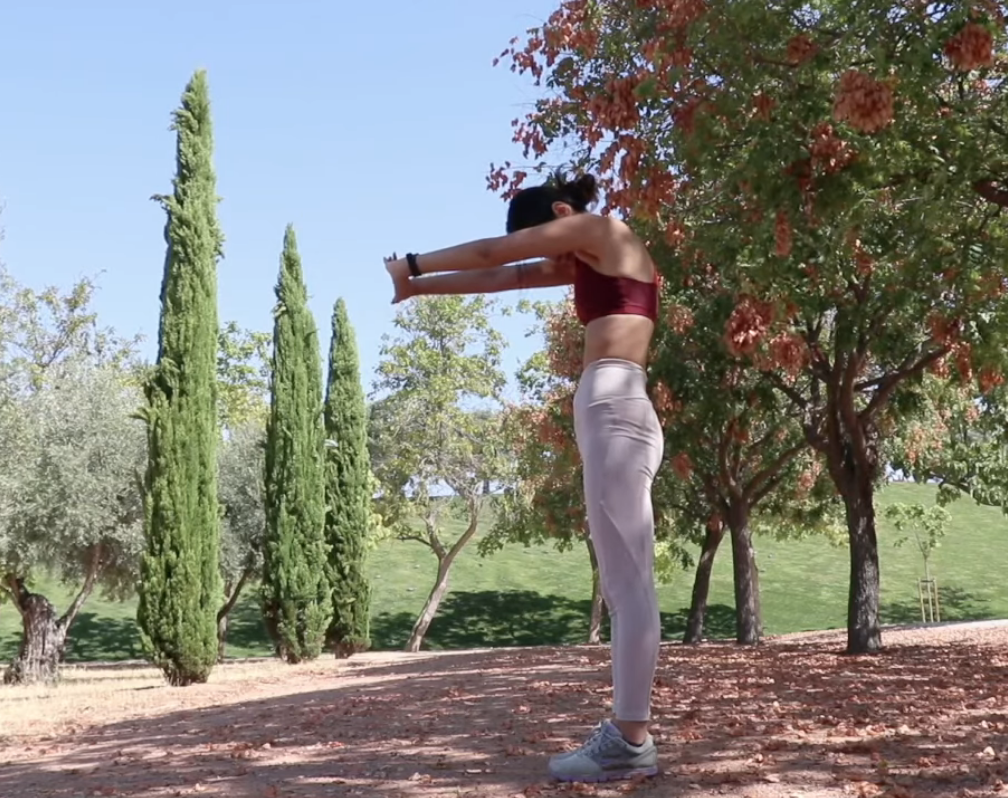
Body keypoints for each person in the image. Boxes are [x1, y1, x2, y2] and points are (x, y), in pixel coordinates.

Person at [383, 172, 665, 784]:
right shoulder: (593, 260)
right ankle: (629, 735)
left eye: (545, 241)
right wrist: (418, 287)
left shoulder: (600, 229)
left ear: (562, 214)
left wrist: (413, 261)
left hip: (615, 406)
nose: (549, 260)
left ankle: (630, 739)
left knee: (628, 586)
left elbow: (494, 253)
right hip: (614, 408)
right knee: (626, 583)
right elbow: (503, 277)